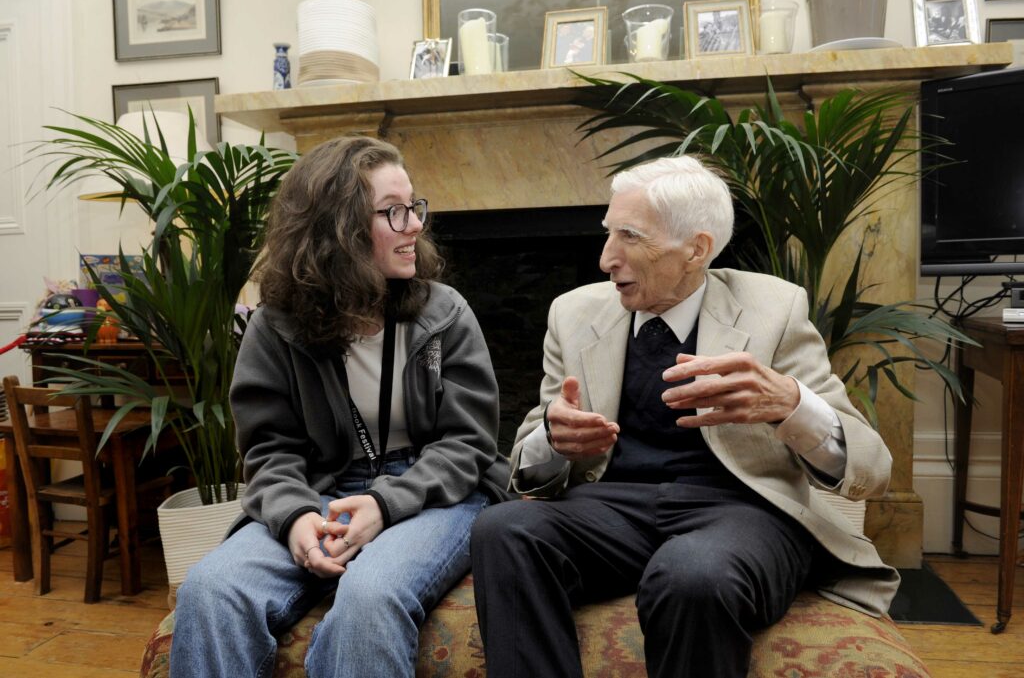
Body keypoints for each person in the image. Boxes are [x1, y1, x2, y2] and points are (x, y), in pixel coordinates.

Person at [470, 155, 899, 678]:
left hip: (742, 510)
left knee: (692, 573)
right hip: (612, 509)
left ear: (696, 249)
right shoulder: (574, 313)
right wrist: (553, 441)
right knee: (503, 528)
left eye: (629, 236)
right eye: (608, 233)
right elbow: (529, 460)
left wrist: (790, 403)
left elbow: (872, 467)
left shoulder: (774, 309)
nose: (606, 258)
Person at [170, 136, 509, 678]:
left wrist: (383, 503)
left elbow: (469, 444)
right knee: (211, 589)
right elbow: (269, 448)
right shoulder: (275, 325)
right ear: (340, 231)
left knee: (370, 594)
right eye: (392, 212)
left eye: (413, 206)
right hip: (320, 489)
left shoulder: (446, 314)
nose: (414, 225)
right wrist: (296, 516)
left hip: (434, 492)